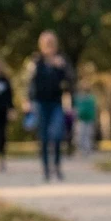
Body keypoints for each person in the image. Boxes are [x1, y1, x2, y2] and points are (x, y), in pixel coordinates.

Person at [25, 31, 75, 181]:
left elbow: (71, 81)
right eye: (46, 43)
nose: (49, 46)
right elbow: (30, 83)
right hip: (40, 103)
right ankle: (46, 169)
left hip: (56, 102)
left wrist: (62, 67)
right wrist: (28, 100)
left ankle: (57, 167)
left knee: (58, 135)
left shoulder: (62, 60)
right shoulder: (36, 61)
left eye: (51, 43)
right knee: (44, 137)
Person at [73, 84, 97, 156]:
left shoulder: (91, 99)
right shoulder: (78, 98)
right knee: (81, 135)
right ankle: (82, 150)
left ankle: (87, 150)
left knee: (87, 135)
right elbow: (76, 109)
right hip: (81, 119)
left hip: (89, 119)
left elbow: (93, 109)